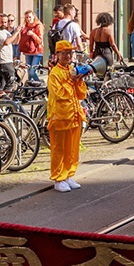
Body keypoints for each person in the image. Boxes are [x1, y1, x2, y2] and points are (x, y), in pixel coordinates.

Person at [47, 40, 87, 192]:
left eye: (70, 53)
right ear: (57, 54)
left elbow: (81, 94)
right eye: (64, 53)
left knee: (72, 149)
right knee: (59, 149)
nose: (68, 56)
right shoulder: (54, 73)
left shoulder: (72, 70)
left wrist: (79, 81)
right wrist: (72, 81)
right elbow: (59, 94)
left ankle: (68, 175)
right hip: (60, 116)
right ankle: (58, 179)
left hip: (74, 115)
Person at [0, 14, 19, 90]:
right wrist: (16, 32)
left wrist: (18, 32)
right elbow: (6, 42)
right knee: (11, 83)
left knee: (1, 85)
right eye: (2, 22)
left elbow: (15, 42)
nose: (4, 24)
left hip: (7, 61)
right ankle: (5, 97)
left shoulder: (5, 32)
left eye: (5, 22)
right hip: (3, 61)